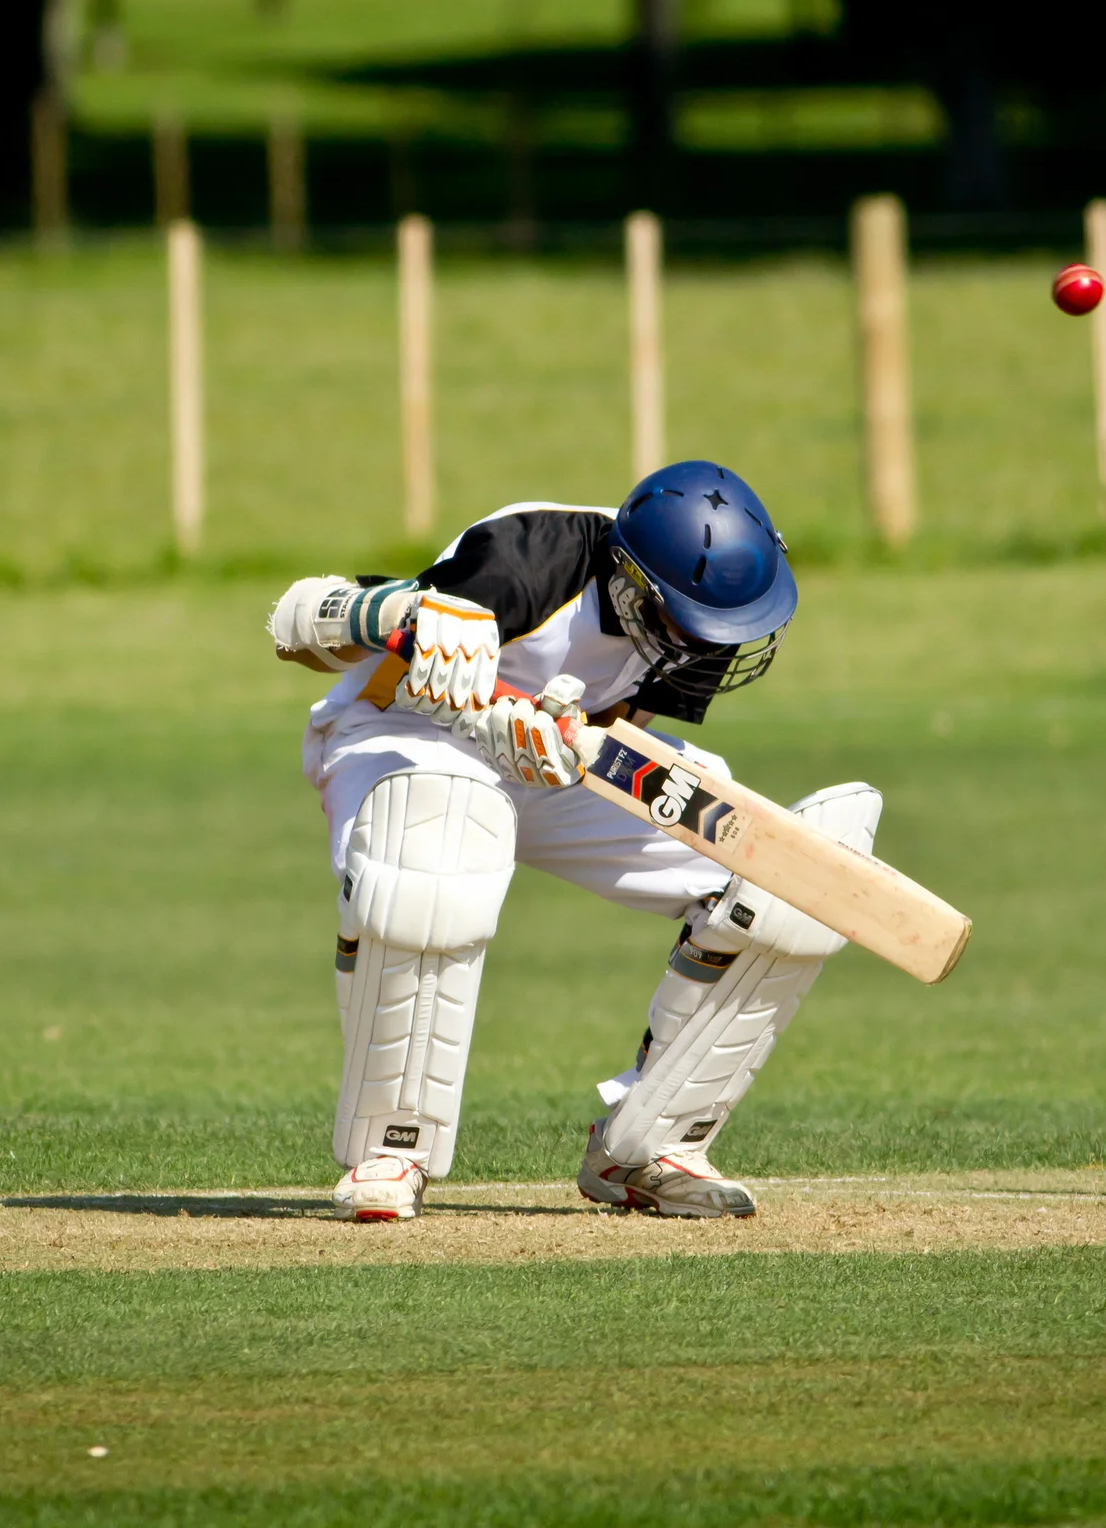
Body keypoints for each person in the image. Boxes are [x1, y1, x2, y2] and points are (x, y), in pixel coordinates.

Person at [267, 461, 881, 1223]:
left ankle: (648, 1146)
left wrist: (561, 738)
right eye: (686, 624)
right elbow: (297, 630)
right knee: (435, 842)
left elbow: (617, 724)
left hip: (558, 760)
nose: (703, 642)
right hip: (402, 734)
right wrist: (407, 621)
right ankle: (391, 1151)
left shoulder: (706, 615)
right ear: (630, 585)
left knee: (771, 877)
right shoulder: (529, 558)